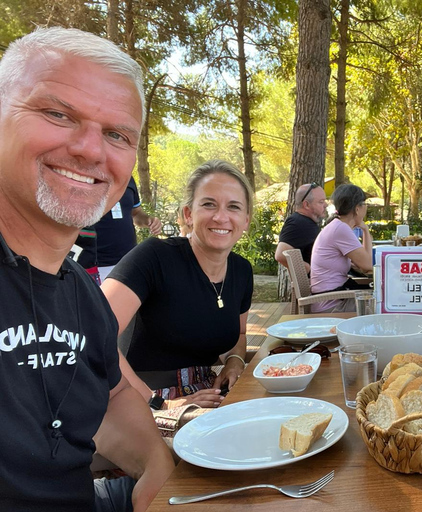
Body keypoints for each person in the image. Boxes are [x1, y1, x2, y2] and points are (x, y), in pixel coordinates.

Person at [0, 27, 174, 511]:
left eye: (117, 135)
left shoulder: (81, 291)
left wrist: (156, 463)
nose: (91, 151)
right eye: (58, 114)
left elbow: (111, 391)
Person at [101, 160, 254, 410]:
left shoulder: (241, 270)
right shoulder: (154, 257)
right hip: (134, 397)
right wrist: (160, 404)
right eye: (208, 204)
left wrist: (235, 362)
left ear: (246, 220)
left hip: (206, 393)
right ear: (188, 214)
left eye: (234, 207)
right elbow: (95, 333)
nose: (221, 217)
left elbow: (240, 334)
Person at [310, 184, 373, 312]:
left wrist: (365, 230)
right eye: (365, 204)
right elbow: (368, 265)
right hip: (332, 304)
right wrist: (366, 230)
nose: (366, 208)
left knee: (379, 301)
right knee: (383, 306)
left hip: (333, 298)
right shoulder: (341, 229)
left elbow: (365, 263)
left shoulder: (338, 225)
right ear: (357, 208)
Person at [95, 176, 162, 279]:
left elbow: (136, 212)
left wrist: (148, 220)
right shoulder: (89, 175)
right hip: (94, 265)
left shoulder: (128, 178)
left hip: (128, 262)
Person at [274, 182, 326, 274]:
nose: (325, 205)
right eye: (321, 202)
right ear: (306, 205)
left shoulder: (304, 222)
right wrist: (311, 271)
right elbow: (281, 254)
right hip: (322, 286)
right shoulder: (298, 223)